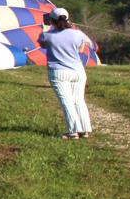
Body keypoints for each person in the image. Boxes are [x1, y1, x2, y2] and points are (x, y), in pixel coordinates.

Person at [38, 8, 94, 139]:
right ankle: (85, 130)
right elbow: (86, 45)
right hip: (78, 71)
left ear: (51, 20)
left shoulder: (47, 35)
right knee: (79, 100)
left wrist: (46, 27)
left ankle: (73, 131)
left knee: (67, 101)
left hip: (59, 72)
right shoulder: (77, 34)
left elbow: (43, 44)